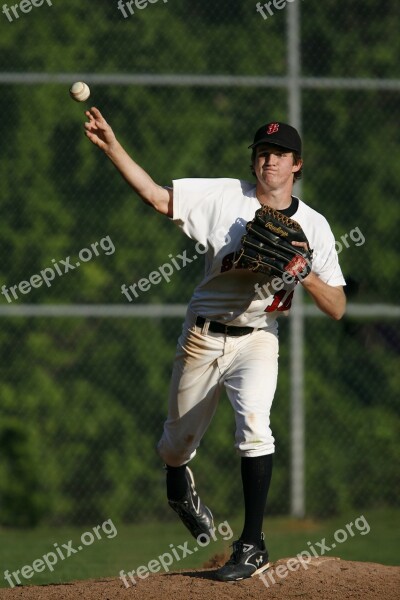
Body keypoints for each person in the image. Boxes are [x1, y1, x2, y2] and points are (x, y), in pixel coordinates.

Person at [84, 109, 346, 582]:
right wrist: (112, 146)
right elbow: (156, 196)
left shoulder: (316, 227)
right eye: (263, 153)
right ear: (254, 163)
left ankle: (252, 544)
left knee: (255, 427)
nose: (270, 161)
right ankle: (179, 485)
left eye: (280, 154)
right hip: (203, 336)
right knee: (175, 445)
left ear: (297, 165)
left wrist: (304, 273)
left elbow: (338, 306)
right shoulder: (226, 198)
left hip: (259, 339)